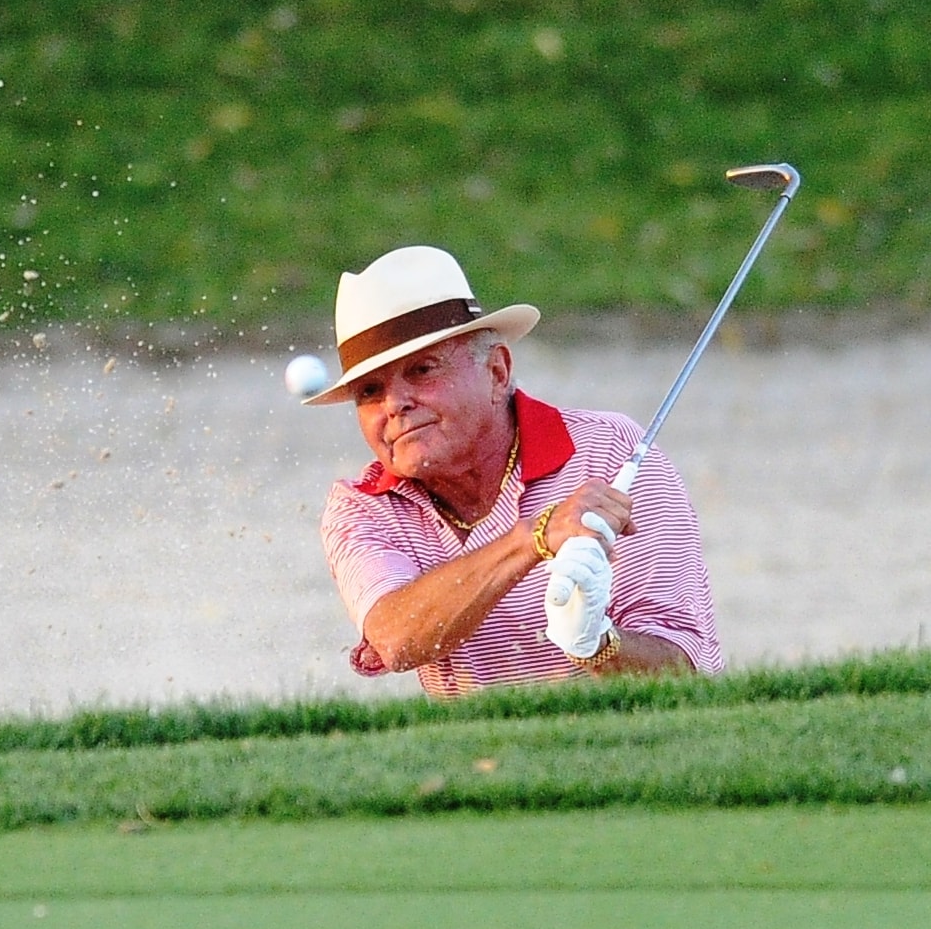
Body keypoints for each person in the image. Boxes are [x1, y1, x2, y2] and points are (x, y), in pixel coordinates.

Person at [306, 245, 722, 696]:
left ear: (497, 371)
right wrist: (534, 538)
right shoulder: (362, 508)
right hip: (475, 745)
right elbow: (394, 639)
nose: (394, 404)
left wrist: (596, 643)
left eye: (422, 370)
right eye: (369, 391)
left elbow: (685, 675)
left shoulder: (610, 451)